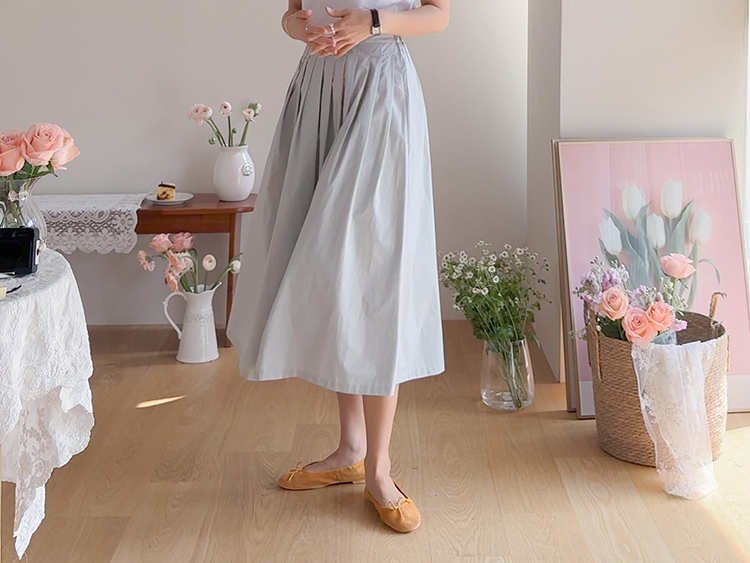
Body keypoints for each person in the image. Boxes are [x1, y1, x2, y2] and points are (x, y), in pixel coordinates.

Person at [227, 0, 449, 533]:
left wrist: (372, 22)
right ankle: (351, 448)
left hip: (380, 90)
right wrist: (299, 28)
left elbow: (438, 14)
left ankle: (379, 468)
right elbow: (291, 15)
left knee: (375, 273)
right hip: (317, 91)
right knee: (334, 274)